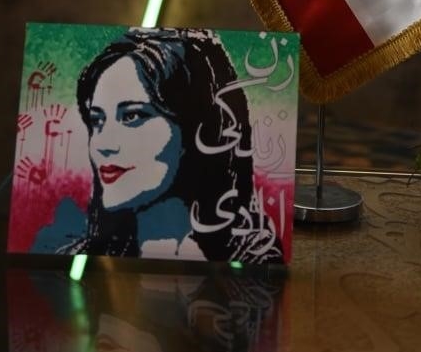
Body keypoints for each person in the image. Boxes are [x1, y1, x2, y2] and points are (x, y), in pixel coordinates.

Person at [36, 27, 283, 263]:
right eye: (97, 120)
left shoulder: (255, 263)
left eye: (132, 116)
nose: (102, 144)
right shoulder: (76, 259)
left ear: (196, 127)